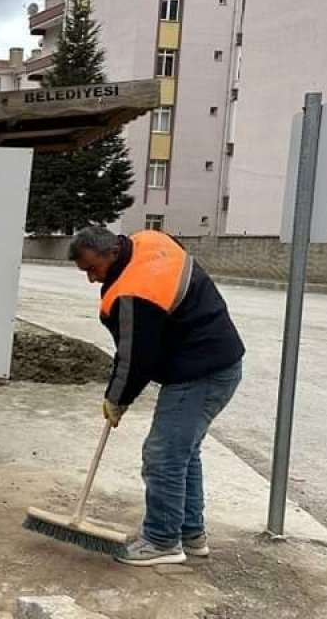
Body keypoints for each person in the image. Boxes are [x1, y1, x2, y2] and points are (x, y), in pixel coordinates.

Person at [68, 226, 244, 566]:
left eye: (93, 268)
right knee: (183, 453)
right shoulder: (150, 239)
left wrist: (116, 399)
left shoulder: (135, 291)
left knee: (163, 455)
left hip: (200, 372)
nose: (92, 279)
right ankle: (190, 533)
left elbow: (136, 357)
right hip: (217, 362)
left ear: (113, 253)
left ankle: (163, 540)